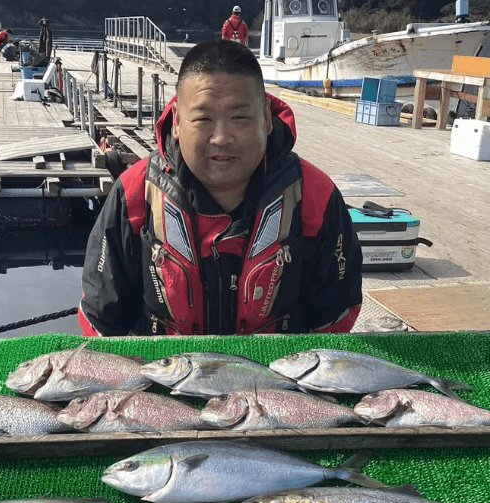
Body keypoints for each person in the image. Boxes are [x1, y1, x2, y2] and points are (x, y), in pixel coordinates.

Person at [79, 39, 362, 337]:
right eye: (203, 118)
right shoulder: (134, 193)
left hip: (280, 366)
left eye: (239, 117)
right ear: (177, 121)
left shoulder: (315, 196)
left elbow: (336, 317)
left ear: (266, 117)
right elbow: (100, 319)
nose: (221, 138)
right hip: (163, 365)